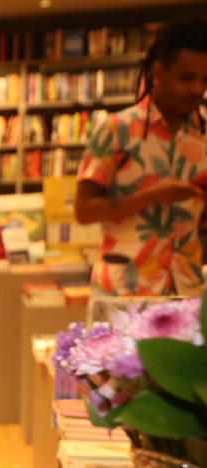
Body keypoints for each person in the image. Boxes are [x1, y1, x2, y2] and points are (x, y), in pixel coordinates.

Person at [74, 13, 207, 297]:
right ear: (158, 72)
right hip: (124, 293)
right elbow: (83, 211)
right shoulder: (115, 130)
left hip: (188, 293)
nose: (198, 89)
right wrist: (153, 196)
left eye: (205, 79)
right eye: (187, 78)